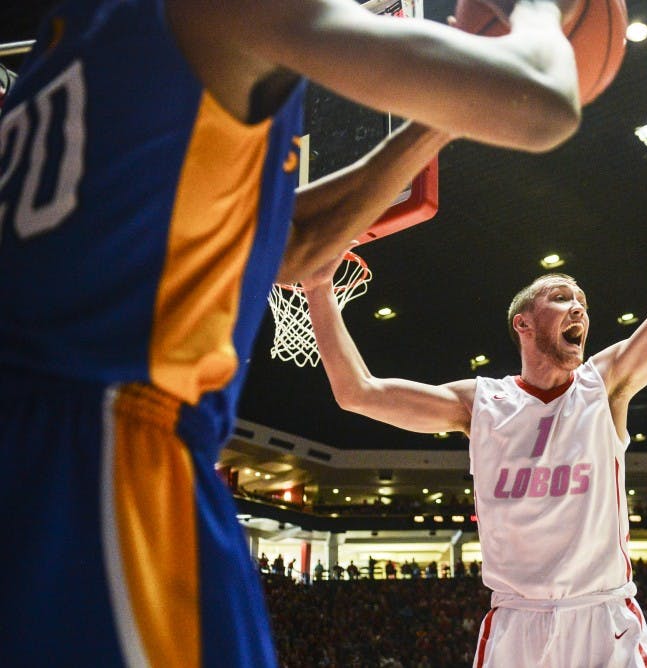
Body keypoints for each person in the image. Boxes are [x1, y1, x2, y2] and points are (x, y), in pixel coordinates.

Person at [0, 0, 584, 665]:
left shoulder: (78, 36)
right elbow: (542, 101)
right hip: (99, 457)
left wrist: (440, 120)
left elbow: (291, 247)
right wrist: (541, 12)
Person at [302, 135, 647, 666]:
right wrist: (319, 289)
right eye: (561, 298)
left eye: (582, 301)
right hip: (516, 622)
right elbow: (357, 393)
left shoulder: (605, 384)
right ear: (524, 324)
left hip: (602, 618)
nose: (579, 307)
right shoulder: (480, 403)